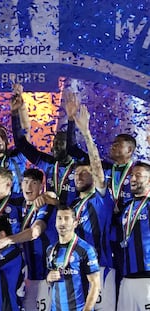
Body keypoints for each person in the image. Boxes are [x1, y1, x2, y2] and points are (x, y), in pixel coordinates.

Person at [0, 168, 58, 311]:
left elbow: (34, 232)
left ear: (41, 186)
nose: (28, 187)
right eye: (25, 182)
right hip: (28, 276)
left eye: (34, 183)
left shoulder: (44, 206)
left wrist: (7, 240)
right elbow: (2, 196)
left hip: (46, 275)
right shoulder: (21, 204)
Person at [71, 104, 116, 310]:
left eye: (84, 172)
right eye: (76, 173)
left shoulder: (100, 199)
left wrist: (86, 133)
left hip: (101, 269)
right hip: (76, 272)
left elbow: (98, 168)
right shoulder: (71, 207)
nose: (79, 175)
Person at [11, 85, 80, 206]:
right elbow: (21, 144)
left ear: (70, 146)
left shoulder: (80, 168)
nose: (54, 147)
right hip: (49, 219)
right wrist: (15, 113)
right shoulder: (49, 164)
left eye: (60, 143)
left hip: (72, 220)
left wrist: (71, 119)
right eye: (54, 143)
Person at [46, 205, 101, 311]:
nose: (62, 223)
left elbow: (95, 285)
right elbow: (50, 282)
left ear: (75, 223)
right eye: (59, 218)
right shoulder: (50, 250)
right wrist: (48, 278)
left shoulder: (86, 250)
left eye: (66, 218)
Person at [117, 161, 150, 311]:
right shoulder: (126, 208)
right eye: (131, 175)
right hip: (126, 279)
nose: (133, 179)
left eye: (138, 175)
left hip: (147, 279)